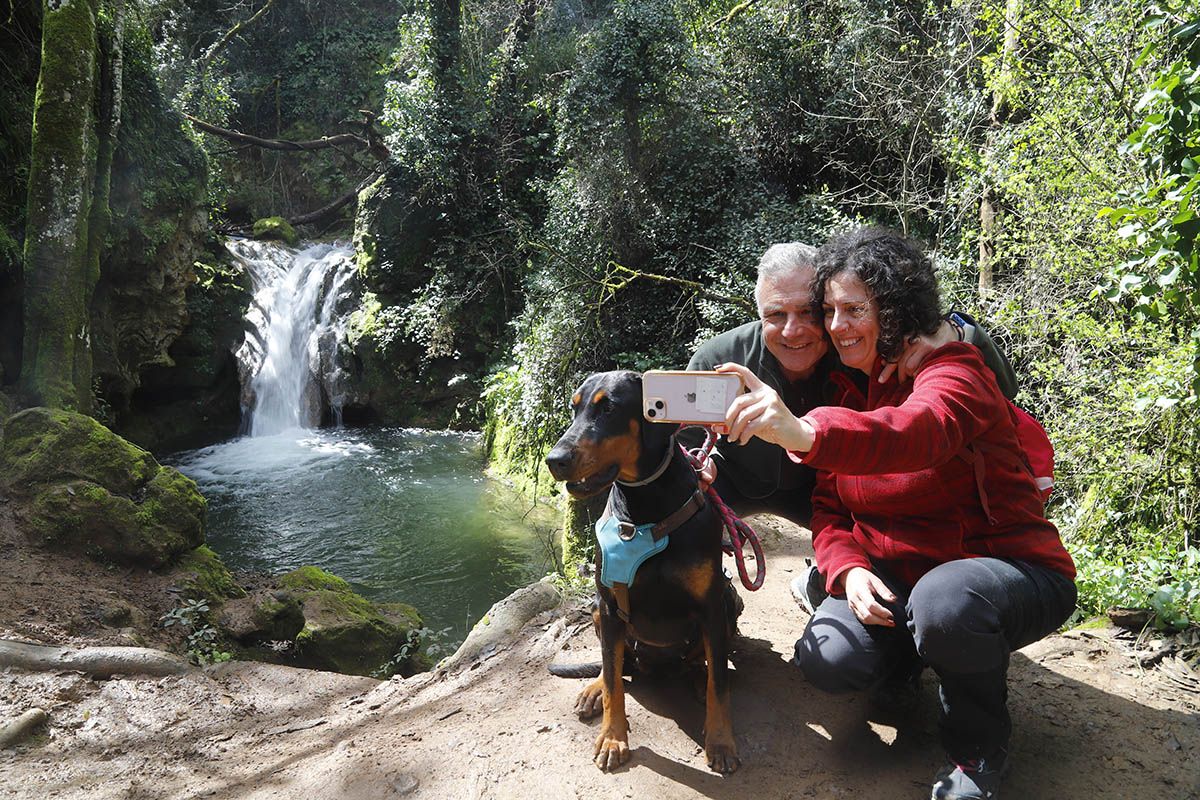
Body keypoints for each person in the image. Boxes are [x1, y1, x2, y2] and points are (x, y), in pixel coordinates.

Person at [716, 227, 1077, 800]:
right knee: (827, 658)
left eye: (856, 309)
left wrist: (806, 431)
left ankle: (977, 749)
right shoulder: (844, 387)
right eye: (830, 310)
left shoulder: (955, 371)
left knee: (947, 604)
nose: (837, 326)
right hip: (896, 581)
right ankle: (904, 664)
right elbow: (829, 511)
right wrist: (848, 572)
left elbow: (918, 431)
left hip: (1005, 573)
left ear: (897, 307)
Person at [685, 242, 1017, 527]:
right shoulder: (721, 358)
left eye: (808, 312)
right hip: (737, 484)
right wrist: (696, 465)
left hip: (827, 490)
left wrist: (953, 331)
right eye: (775, 315)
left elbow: (1000, 388)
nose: (791, 330)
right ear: (759, 315)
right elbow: (684, 446)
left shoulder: (856, 349)